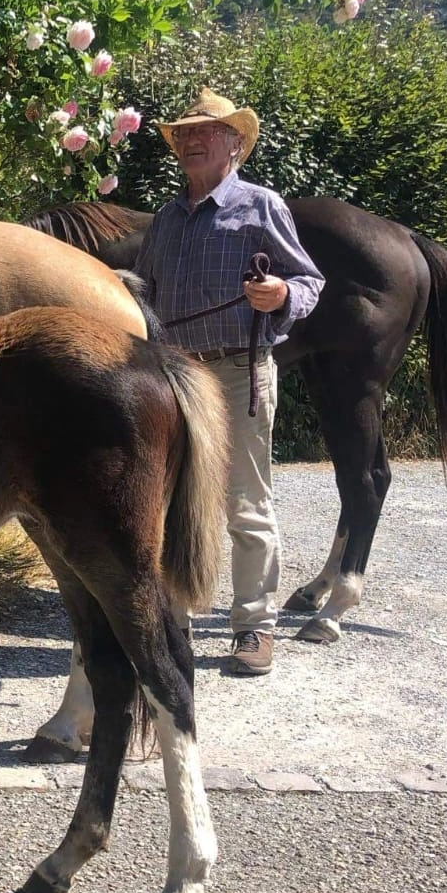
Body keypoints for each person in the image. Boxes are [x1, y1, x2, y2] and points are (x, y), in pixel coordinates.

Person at [133, 88, 325, 677]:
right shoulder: (166, 218)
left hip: (238, 371)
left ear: (234, 145)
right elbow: (144, 294)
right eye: (184, 134)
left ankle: (253, 628)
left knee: (246, 503)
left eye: (205, 133)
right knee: (168, 502)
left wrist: (282, 295)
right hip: (174, 378)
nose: (191, 141)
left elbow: (309, 281)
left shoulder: (260, 205)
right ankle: (176, 622)